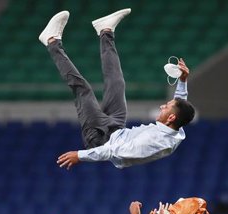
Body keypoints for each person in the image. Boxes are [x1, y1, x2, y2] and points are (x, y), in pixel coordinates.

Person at [38, 9, 195, 169]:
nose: (162, 106)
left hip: (100, 138)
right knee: (117, 83)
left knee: (83, 89)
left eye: (166, 107)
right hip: (118, 129)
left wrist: (80, 155)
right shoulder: (176, 125)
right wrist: (182, 80)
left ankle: (52, 42)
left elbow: (113, 151)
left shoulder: (153, 144)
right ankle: (105, 31)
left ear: (170, 119)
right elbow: (180, 105)